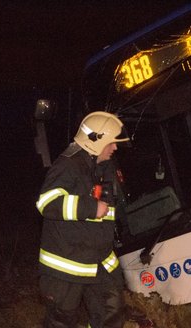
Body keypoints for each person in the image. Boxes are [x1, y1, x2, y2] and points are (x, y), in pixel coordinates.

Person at [35, 111, 129, 328]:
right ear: (96, 141)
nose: (115, 148)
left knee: (111, 316)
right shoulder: (68, 165)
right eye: (111, 143)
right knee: (62, 322)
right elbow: (47, 202)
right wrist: (90, 207)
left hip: (99, 261)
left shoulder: (103, 168)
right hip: (67, 265)